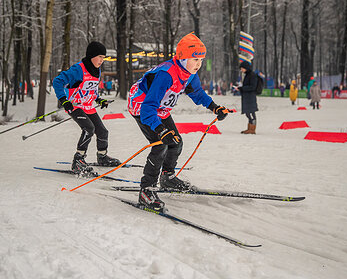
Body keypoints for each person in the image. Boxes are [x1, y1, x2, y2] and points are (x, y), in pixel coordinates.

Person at [127, 33, 231, 211]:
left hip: (160, 110)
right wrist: (160, 130)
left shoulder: (189, 73)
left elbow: (197, 93)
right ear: (182, 58)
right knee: (160, 145)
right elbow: (147, 108)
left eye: (201, 60)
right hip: (142, 107)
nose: (198, 64)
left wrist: (214, 107)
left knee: (176, 142)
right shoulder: (166, 75)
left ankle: (167, 177)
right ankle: (146, 190)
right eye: (195, 59)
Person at [53, 41, 121, 174]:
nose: (102, 60)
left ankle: (102, 156)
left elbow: (91, 88)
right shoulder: (78, 69)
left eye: (103, 57)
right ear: (91, 56)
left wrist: (98, 99)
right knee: (89, 128)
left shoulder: (97, 70)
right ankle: (78, 160)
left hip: (88, 106)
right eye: (99, 56)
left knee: (102, 132)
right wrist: (63, 100)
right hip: (75, 105)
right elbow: (57, 81)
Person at [234, 61, 258, 134]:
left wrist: (242, 88)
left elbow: (252, 87)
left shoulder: (252, 75)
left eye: (242, 68)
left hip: (250, 98)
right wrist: (240, 88)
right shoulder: (247, 75)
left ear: (246, 68)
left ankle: (252, 129)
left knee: (251, 113)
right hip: (247, 97)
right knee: (248, 113)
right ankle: (249, 128)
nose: (241, 70)